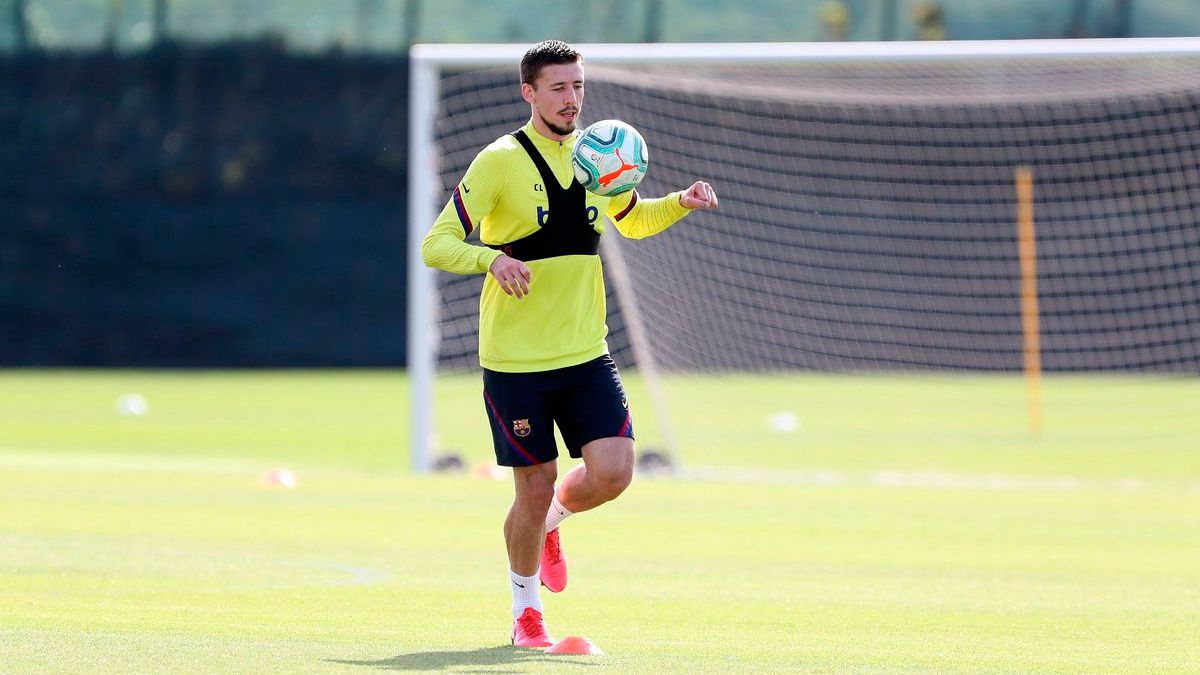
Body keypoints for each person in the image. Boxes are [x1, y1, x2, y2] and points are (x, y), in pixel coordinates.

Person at [421, 39, 718, 648]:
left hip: (585, 352)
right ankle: (526, 613)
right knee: (530, 487)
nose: (571, 99)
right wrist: (491, 261)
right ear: (528, 92)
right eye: (557, 88)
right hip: (515, 364)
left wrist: (680, 204)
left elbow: (632, 220)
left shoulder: (599, 154)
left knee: (614, 472)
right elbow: (437, 242)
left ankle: (556, 518)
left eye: (578, 86)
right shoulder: (500, 161)